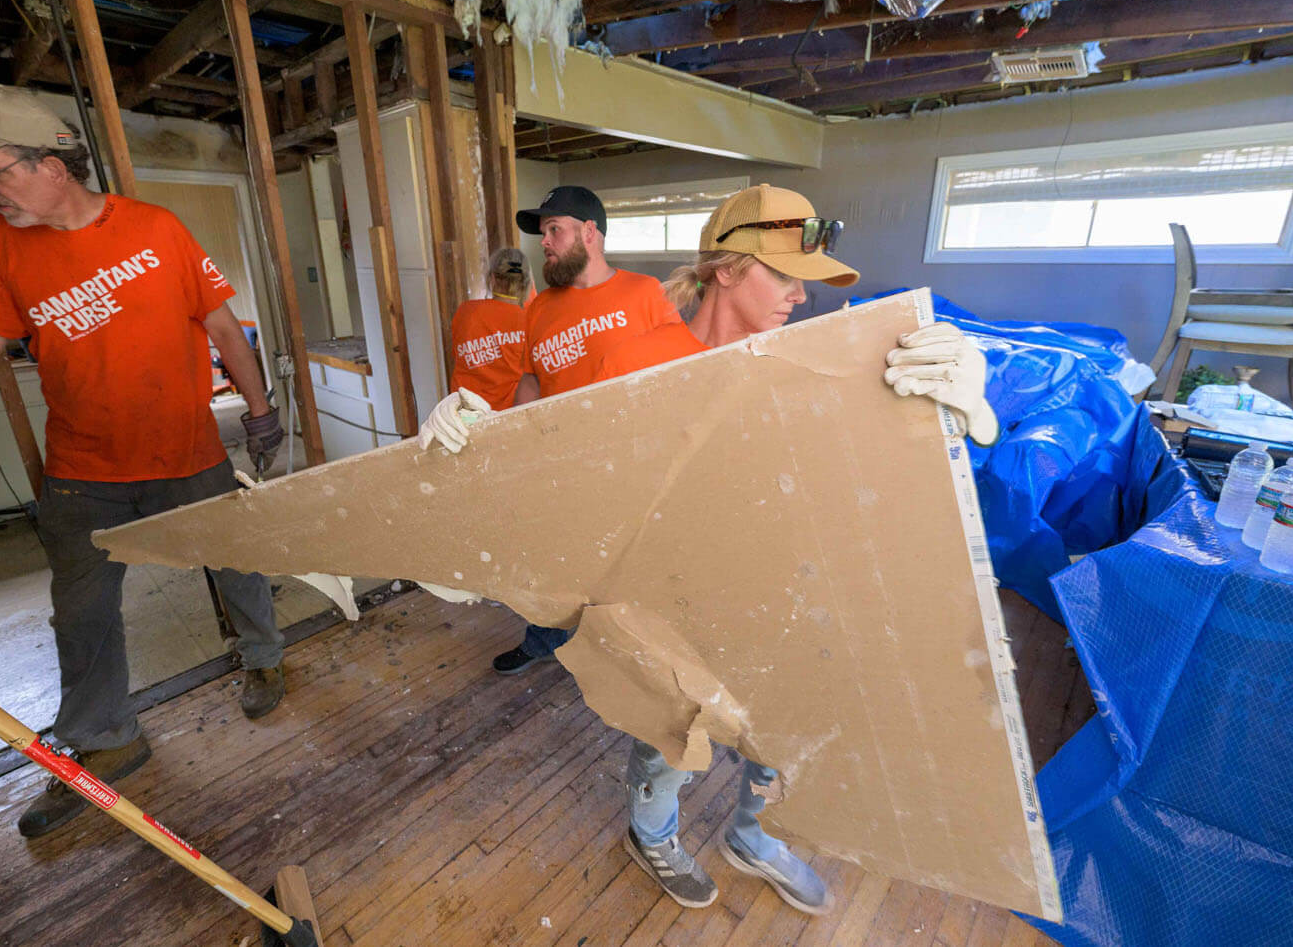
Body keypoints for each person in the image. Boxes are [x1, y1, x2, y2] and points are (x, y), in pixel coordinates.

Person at [419, 184, 999, 914]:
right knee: (673, 728)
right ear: (726, 271)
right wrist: (472, 439)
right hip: (668, 584)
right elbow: (557, 455)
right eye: (783, 277)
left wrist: (970, 413)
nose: (798, 297)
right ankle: (651, 832)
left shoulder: (807, 361)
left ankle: (754, 835)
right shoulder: (641, 358)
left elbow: (892, 472)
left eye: (804, 282)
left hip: (776, 577)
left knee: (781, 723)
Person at [0, 84, 293, 840]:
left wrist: (260, 410)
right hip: (85, 474)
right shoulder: (0, 244)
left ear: (52, 163)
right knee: (81, 614)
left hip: (187, 455)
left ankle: (263, 656)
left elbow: (220, 324)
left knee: (237, 563)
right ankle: (107, 738)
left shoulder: (155, 228)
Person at [421, 185, 681, 676]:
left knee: (631, 572)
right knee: (555, 566)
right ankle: (544, 640)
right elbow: (531, 379)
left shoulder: (645, 293)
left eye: (554, 230)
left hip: (631, 468)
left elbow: (676, 375)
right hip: (563, 466)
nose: (545, 241)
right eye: (543, 233)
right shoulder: (538, 310)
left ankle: (634, 662)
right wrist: (514, 439)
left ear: (590, 233)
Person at [446, 247, 530, 411]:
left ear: (492, 278)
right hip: (511, 413)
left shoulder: (466, 312)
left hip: (466, 415)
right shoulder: (530, 319)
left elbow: (458, 355)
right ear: (525, 282)